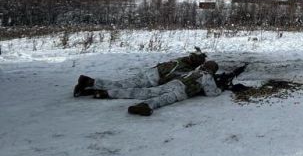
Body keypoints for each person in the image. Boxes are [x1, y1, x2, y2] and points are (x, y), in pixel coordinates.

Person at [73, 50, 207, 97]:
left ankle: (93, 88)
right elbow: (168, 78)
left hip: (152, 71)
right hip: (153, 78)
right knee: (123, 85)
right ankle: (90, 82)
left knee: (124, 84)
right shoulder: (185, 68)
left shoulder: (181, 59)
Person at [124, 61, 221, 116]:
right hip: (181, 91)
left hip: (174, 83)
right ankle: (145, 105)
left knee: (149, 91)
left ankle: (111, 92)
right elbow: (211, 93)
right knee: (162, 99)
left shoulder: (194, 71)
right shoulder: (207, 76)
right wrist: (220, 89)